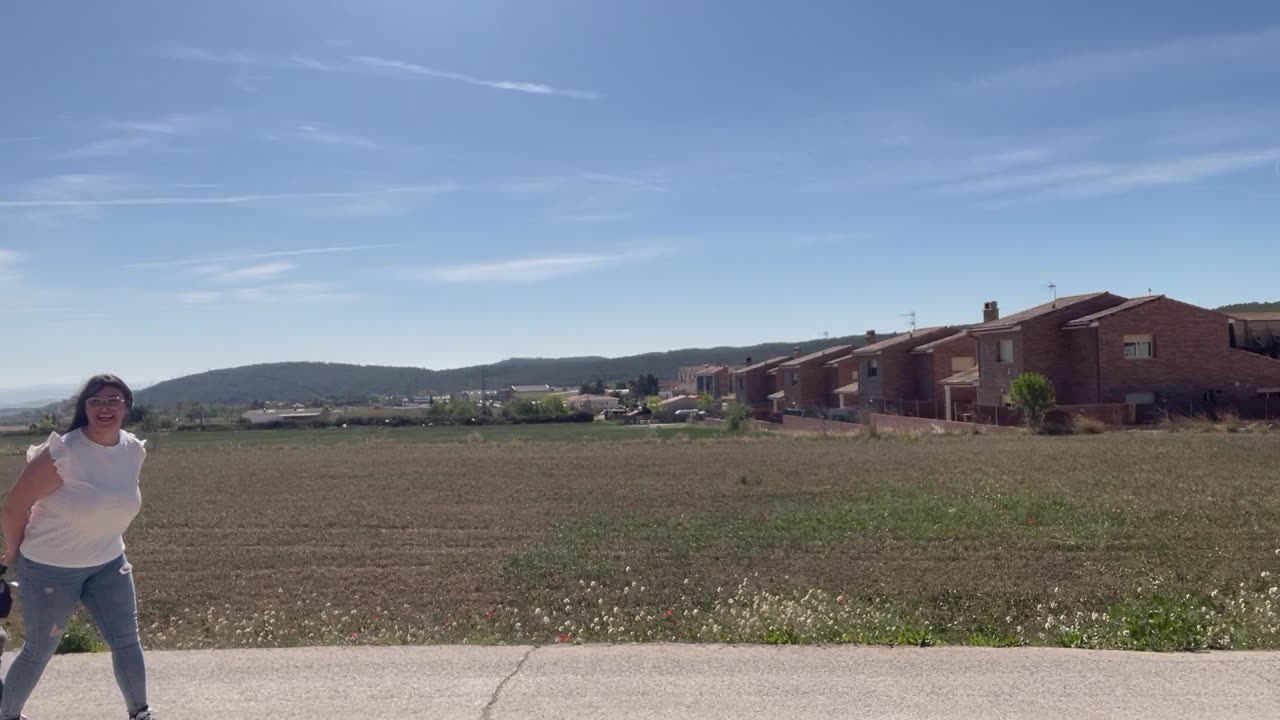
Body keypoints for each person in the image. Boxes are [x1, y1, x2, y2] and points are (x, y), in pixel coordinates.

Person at [0, 374, 155, 720]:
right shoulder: (63, 453)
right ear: (85, 407)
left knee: (127, 640)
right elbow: (13, 506)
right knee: (39, 650)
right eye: (95, 400)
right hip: (49, 568)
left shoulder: (133, 450)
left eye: (113, 400)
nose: (105, 407)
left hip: (108, 562)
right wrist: (12, 552)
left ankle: (140, 713)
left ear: (127, 406)